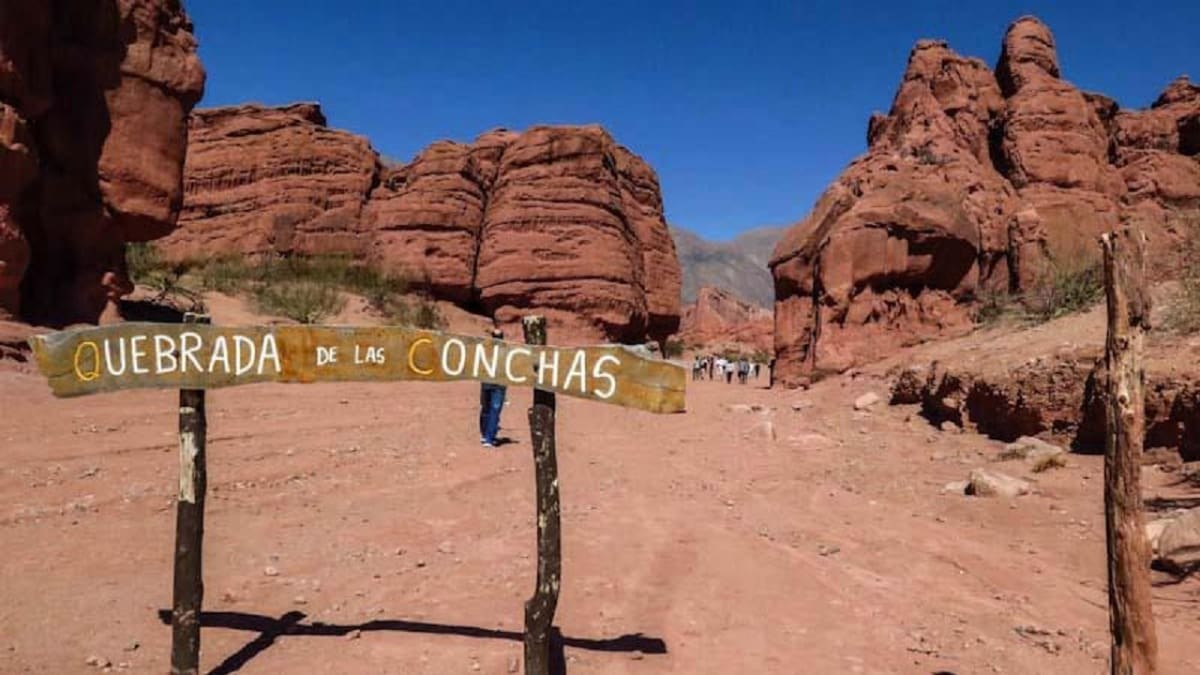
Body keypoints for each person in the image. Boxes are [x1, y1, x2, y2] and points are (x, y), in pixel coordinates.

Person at [479, 327, 507, 448]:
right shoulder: (487, 349)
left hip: (497, 384)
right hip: (488, 382)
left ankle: (489, 437)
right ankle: (486, 435)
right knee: (488, 409)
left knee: (492, 409)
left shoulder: (505, 351)